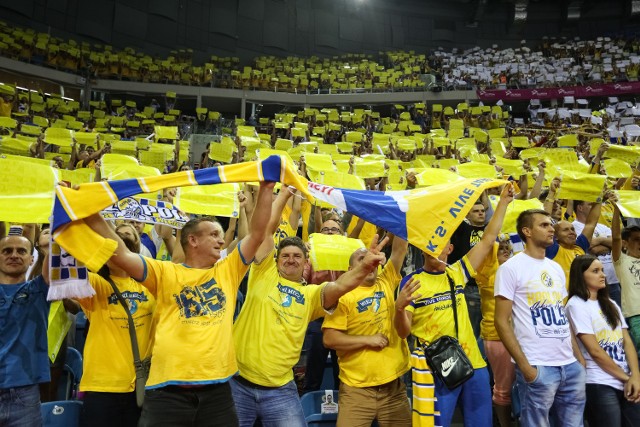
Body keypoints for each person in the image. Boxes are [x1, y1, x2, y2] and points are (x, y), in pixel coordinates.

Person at [84, 180, 275, 427]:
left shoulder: (228, 270)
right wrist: (90, 214)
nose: (221, 240)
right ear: (193, 240)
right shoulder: (164, 272)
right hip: (167, 393)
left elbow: (258, 233)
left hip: (217, 392)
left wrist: (267, 188)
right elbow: (120, 253)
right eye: (214, 234)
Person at [231, 187, 389, 427]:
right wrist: (283, 193)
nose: (291, 259)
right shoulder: (263, 273)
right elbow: (264, 230)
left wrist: (364, 268)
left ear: (307, 262)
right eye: (285, 255)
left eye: (297, 255)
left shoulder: (311, 294)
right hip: (238, 384)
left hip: (280, 390)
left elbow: (339, 286)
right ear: (276, 259)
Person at [395, 183, 514, 427]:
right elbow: (403, 332)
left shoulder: (458, 272)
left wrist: (503, 202)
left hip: (473, 364)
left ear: (450, 248)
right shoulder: (412, 281)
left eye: (441, 245)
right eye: (430, 245)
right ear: (423, 248)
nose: (435, 249)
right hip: (434, 365)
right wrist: (399, 308)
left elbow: (488, 238)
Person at [495, 209, 586, 427]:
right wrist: (525, 367)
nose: (551, 229)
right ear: (526, 231)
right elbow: (501, 321)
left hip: (569, 364)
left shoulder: (555, 268)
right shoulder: (510, 268)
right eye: (544, 225)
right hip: (538, 365)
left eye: (551, 225)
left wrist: (578, 359)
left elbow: (562, 316)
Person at [322, 235, 410, 427]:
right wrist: (368, 340)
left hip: (393, 389)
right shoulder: (343, 296)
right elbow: (329, 338)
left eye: (372, 257)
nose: (370, 262)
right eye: (362, 259)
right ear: (351, 270)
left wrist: (402, 212)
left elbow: (399, 249)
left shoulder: (386, 281)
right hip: (356, 391)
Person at [78, 224, 156, 427]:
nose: (118, 256)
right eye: (111, 252)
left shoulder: (151, 285)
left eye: (122, 251)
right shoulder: (96, 284)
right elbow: (69, 270)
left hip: (142, 385)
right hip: (102, 387)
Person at [566, 255, 640, 427]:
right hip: (599, 381)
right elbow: (595, 351)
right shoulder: (575, 305)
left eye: (602, 270)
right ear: (580, 275)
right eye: (595, 271)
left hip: (626, 379)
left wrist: (635, 376)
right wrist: (626, 378)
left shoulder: (610, 303)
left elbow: (627, 342)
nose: (603, 275)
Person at [0, 234, 50, 427]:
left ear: (32, 259)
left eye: (21, 251)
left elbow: (55, 260)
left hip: (24, 394)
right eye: (6, 251)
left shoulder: (40, 289)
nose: (14, 255)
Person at [475, 235, 515, 427]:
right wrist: (495, 242)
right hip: (496, 336)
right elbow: (486, 247)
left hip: (522, 336)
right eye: (501, 248)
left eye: (508, 247)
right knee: (503, 388)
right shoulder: (485, 271)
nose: (505, 250)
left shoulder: (518, 268)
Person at [573, 199, 621, 306]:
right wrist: (608, 244)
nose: (596, 208)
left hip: (613, 280)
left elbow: (618, 243)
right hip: (593, 282)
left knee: (617, 318)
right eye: (591, 204)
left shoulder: (602, 226)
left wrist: (599, 240)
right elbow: (591, 248)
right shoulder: (574, 227)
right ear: (580, 208)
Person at [545, 194, 602, 283]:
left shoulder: (579, 246)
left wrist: (599, 198)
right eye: (565, 230)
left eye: (572, 229)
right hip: (563, 296)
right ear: (555, 236)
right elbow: (545, 221)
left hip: (583, 295)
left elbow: (591, 224)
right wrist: (552, 192)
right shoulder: (552, 250)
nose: (571, 232)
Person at [612, 204, 640, 360]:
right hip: (636, 315)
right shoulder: (621, 260)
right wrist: (616, 208)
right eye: (636, 240)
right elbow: (615, 236)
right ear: (625, 243)